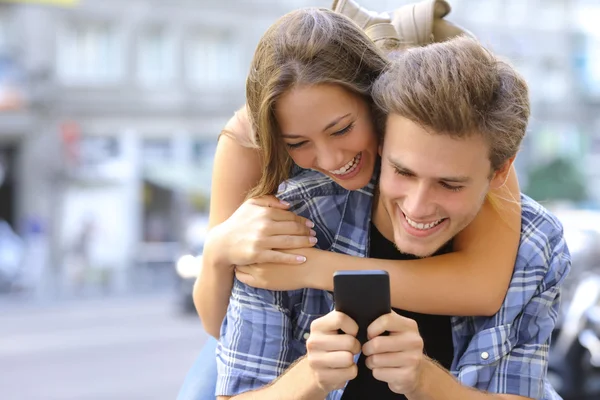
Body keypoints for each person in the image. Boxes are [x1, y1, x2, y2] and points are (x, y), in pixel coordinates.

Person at [177, 4, 522, 400]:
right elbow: (214, 322)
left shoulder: (446, 134)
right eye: (298, 144)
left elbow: (482, 288)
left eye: (341, 129)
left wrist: (315, 268)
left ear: (375, 101)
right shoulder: (250, 143)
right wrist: (220, 249)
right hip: (273, 338)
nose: (331, 159)